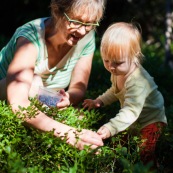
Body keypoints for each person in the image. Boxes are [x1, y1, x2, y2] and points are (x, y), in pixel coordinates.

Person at [0, 0, 105, 150]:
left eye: (90, 24)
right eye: (76, 22)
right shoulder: (30, 38)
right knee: (33, 81)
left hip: (48, 100)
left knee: (85, 123)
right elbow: (19, 102)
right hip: (8, 90)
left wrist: (68, 99)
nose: (82, 31)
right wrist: (70, 134)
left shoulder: (86, 38)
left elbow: (78, 87)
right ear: (57, 12)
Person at [83, 22, 167, 166]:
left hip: (151, 120)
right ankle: (114, 164)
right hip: (134, 119)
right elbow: (115, 91)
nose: (111, 67)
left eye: (117, 62)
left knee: (145, 152)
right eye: (106, 60)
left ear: (134, 56)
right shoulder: (118, 72)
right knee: (119, 144)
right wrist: (99, 101)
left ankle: (151, 169)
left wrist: (111, 127)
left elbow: (130, 111)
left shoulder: (138, 81)